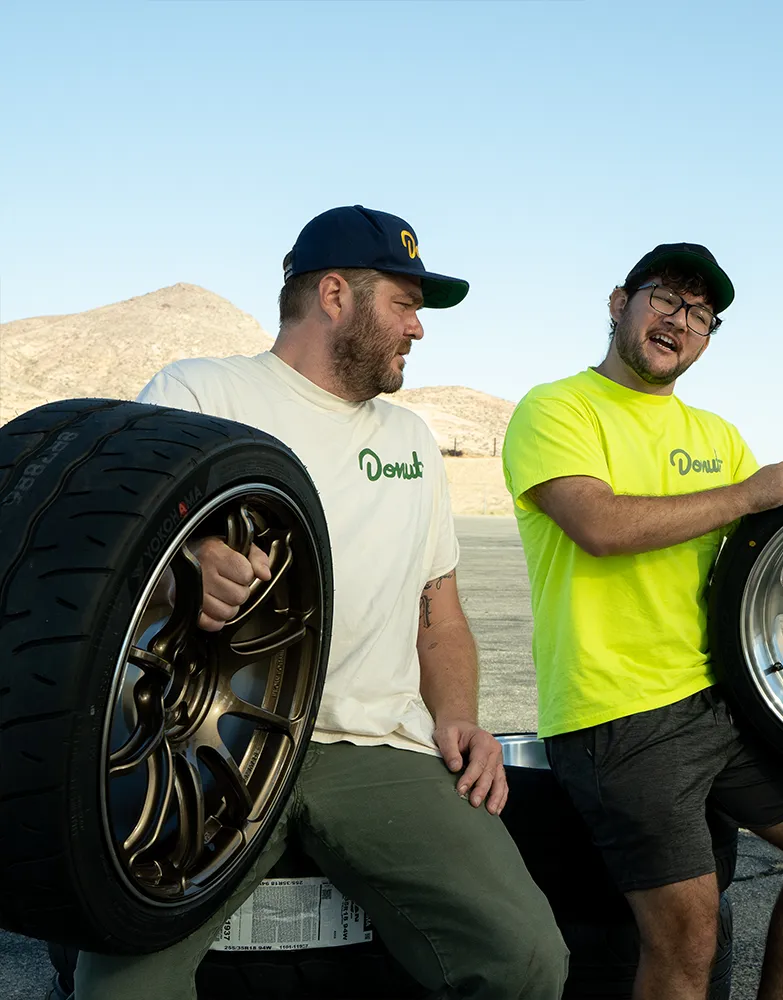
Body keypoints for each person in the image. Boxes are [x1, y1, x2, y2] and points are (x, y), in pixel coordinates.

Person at [70, 206, 568, 1000]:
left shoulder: (410, 441)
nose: (419, 328)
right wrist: (190, 565)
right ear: (335, 294)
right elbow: (110, 561)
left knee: (525, 956)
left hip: (372, 746)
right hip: (209, 739)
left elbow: (437, 611)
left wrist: (461, 720)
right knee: (117, 987)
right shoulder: (200, 391)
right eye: (406, 304)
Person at [501, 242, 783, 1000]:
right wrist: (752, 495)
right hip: (618, 714)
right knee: (688, 937)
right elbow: (601, 526)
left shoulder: (716, 437)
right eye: (667, 300)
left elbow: (763, 562)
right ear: (620, 301)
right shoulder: (557, 408)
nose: (680, 321)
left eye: (701, 314)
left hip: (722, 704)